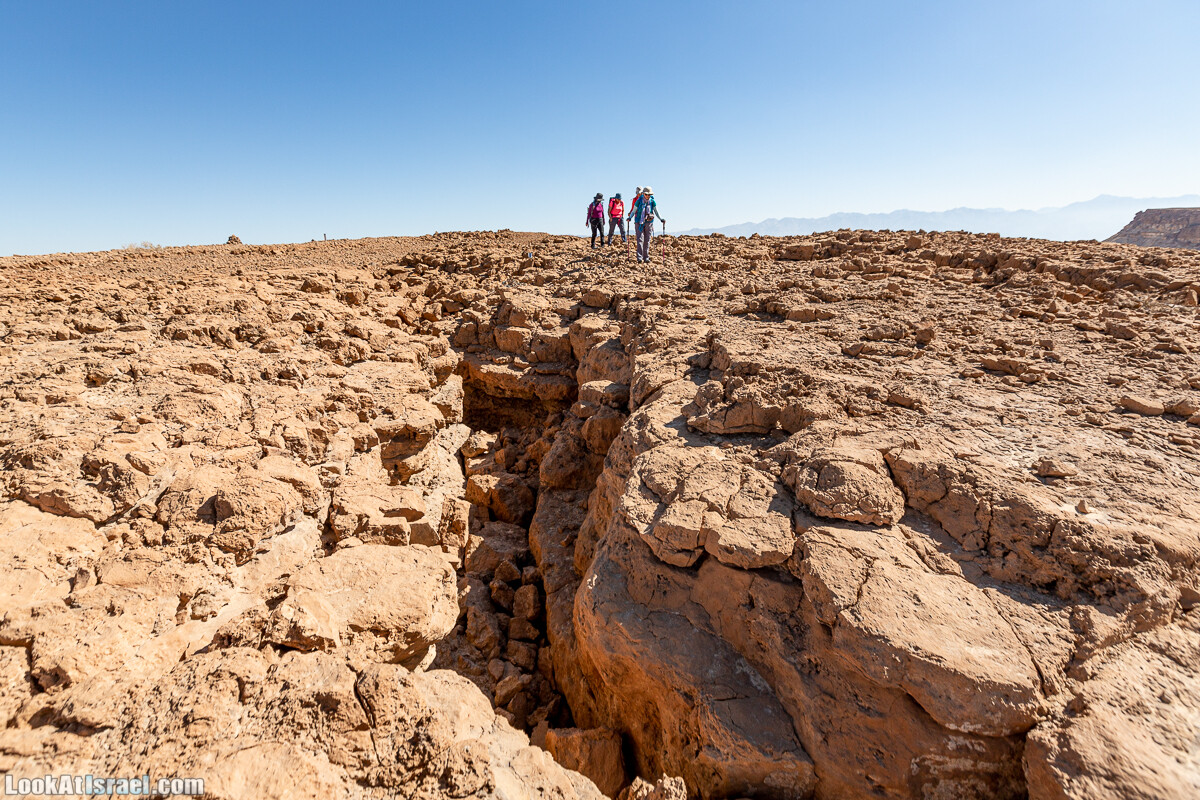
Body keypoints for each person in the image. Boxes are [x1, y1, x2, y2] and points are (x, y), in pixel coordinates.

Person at [627, 186, 665, 263]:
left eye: (649, 195)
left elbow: (656, 211)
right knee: (640, 239)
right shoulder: (639, 200)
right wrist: (630, 218)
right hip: (639, 222)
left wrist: (661, 219)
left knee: (647, 240)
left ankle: (646, 257)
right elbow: (634, 211)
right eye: (646, 194)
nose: (648, 196)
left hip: (649, 222)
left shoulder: (652, 201)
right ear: (643, 193)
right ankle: (639, 258)